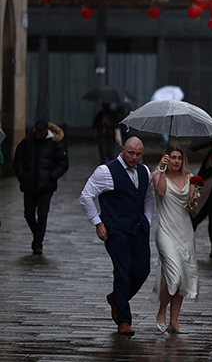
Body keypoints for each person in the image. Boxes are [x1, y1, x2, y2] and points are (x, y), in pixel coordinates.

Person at [79, 137, 154, 336]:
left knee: (143, 270)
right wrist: (98, 223)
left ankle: (116, 299)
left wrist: (147, 220)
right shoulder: (105, 171)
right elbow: (86, 196)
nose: (134, 157)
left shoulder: (145, 171)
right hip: (116, 230)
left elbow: (148, 197)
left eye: (138, 154)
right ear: (123, 150)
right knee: (122, 273)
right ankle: (124, 320)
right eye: (131, 153)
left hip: (139, 229)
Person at [151, 146, 200, 333]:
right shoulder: (157, 174)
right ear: (167, 158)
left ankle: (174, 320)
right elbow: (161, 192)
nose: (177, 161)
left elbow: (191, 207)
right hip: (165, 232)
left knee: (183, 278)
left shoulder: (190, 177)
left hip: (185, 232)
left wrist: (193, 200)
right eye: (173, 157)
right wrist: (163, 170)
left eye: (179, 157)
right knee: (174, 276)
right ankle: (162, 310)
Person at [13, 119, 69, 255]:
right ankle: (37, 235)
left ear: (46, 130)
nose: (38, 133)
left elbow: (63, 163)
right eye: (36, 130)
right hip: (29, 185)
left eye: (40, 130)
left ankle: (37, 243)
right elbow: (18, 160)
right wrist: (22, 176)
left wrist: (51, 176)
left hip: (46, 187)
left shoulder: (55, 144)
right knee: (29, 215)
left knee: (42, 214)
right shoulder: (27, 142)